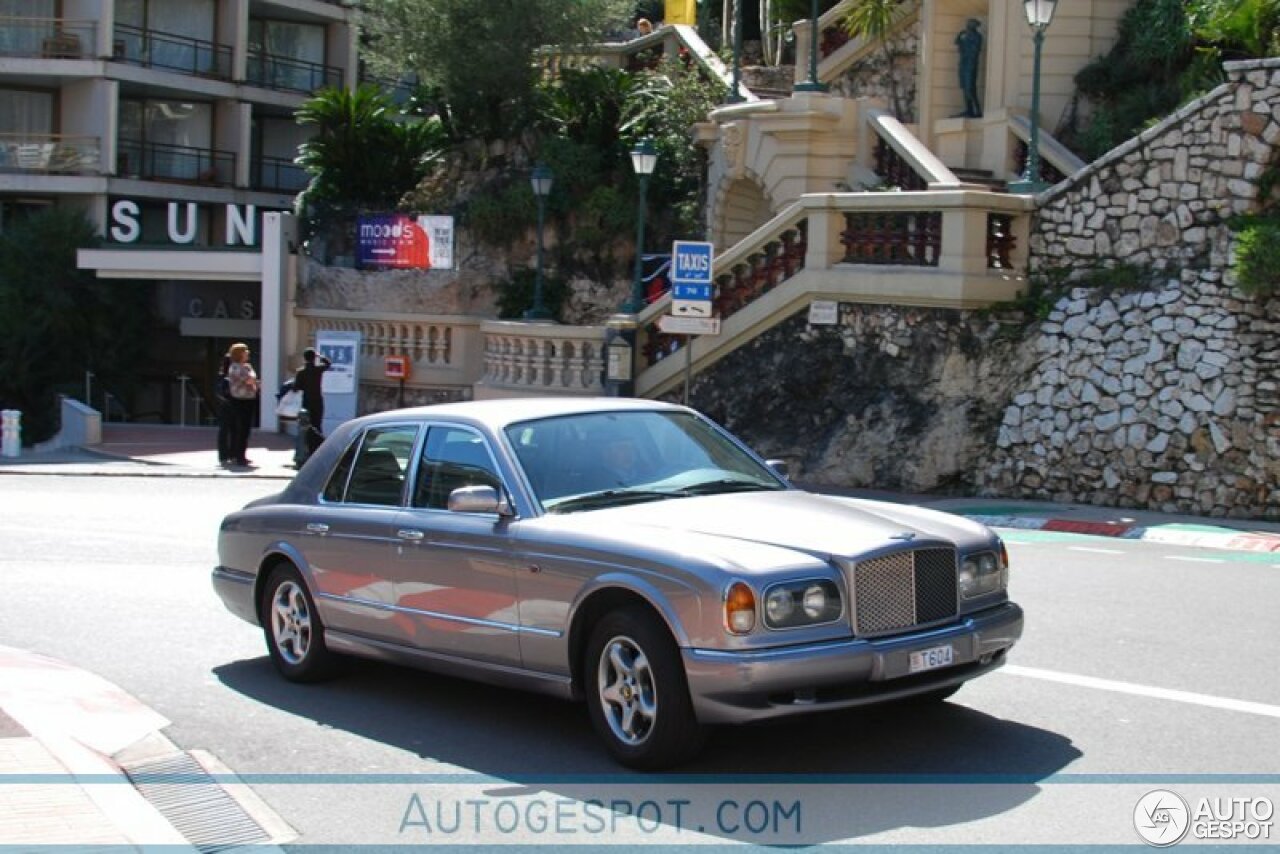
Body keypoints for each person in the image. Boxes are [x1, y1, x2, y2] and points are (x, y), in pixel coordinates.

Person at [226, 342, 260, 466]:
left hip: (249, 399)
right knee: (240, 428)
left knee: (246, 429)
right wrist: (253, 381)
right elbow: (249, 380)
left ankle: (240, 454)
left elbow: (253, 381)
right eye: (245, 351)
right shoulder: (235, 367)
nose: (247, 353)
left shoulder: (247, 366)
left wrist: (255, 382)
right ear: (239, 354)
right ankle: (238, 456)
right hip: (239, 400)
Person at [293, 347, 332, 457]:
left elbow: (296, 388)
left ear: (304, 358)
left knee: (307, 426)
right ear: (314, 358)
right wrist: (320, 356)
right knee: (317, 424)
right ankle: (317, 448)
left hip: (306, 402)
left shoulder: (301, 372)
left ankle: (308, 449)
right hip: (318, 401)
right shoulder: (318, 370)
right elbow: (328, 364)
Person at [955, 19, 983, 119]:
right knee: (964, 88)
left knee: (970, 88)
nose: (967, 26)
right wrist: (960, 35)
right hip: (964, 64)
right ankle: (969, 110)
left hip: (971, 65)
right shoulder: (965, 37)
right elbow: (957, 43)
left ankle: (977, 110)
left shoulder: (977, 37)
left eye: (969, 24)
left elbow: (975, 51)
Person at [215, 354, 233, 465]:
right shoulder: (224, 377)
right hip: (227, 405)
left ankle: (227, 454)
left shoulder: (223, 376)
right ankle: (224, 454)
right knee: (225, 430)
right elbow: (220, 391)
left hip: (225, 405)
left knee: (226, 430)